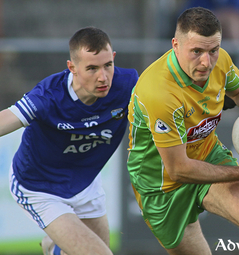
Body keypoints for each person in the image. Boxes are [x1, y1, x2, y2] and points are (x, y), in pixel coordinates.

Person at [127, 7, 239, 255]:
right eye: (196, 52)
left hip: (207, 154)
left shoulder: (220, 60)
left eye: (213, 50)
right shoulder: (159, 92)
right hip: (161, 185)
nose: (206, 62)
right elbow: (178, 169)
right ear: (175, 45)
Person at [1, 27, 138, 255]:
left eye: (107, 65)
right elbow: (6, 119)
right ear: (72, 68)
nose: (103, 77)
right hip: (39, 187)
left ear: (114, 58)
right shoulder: (48, 96)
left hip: (86, 183)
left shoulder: (129, 84)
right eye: (92, 68)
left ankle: (54, 248)